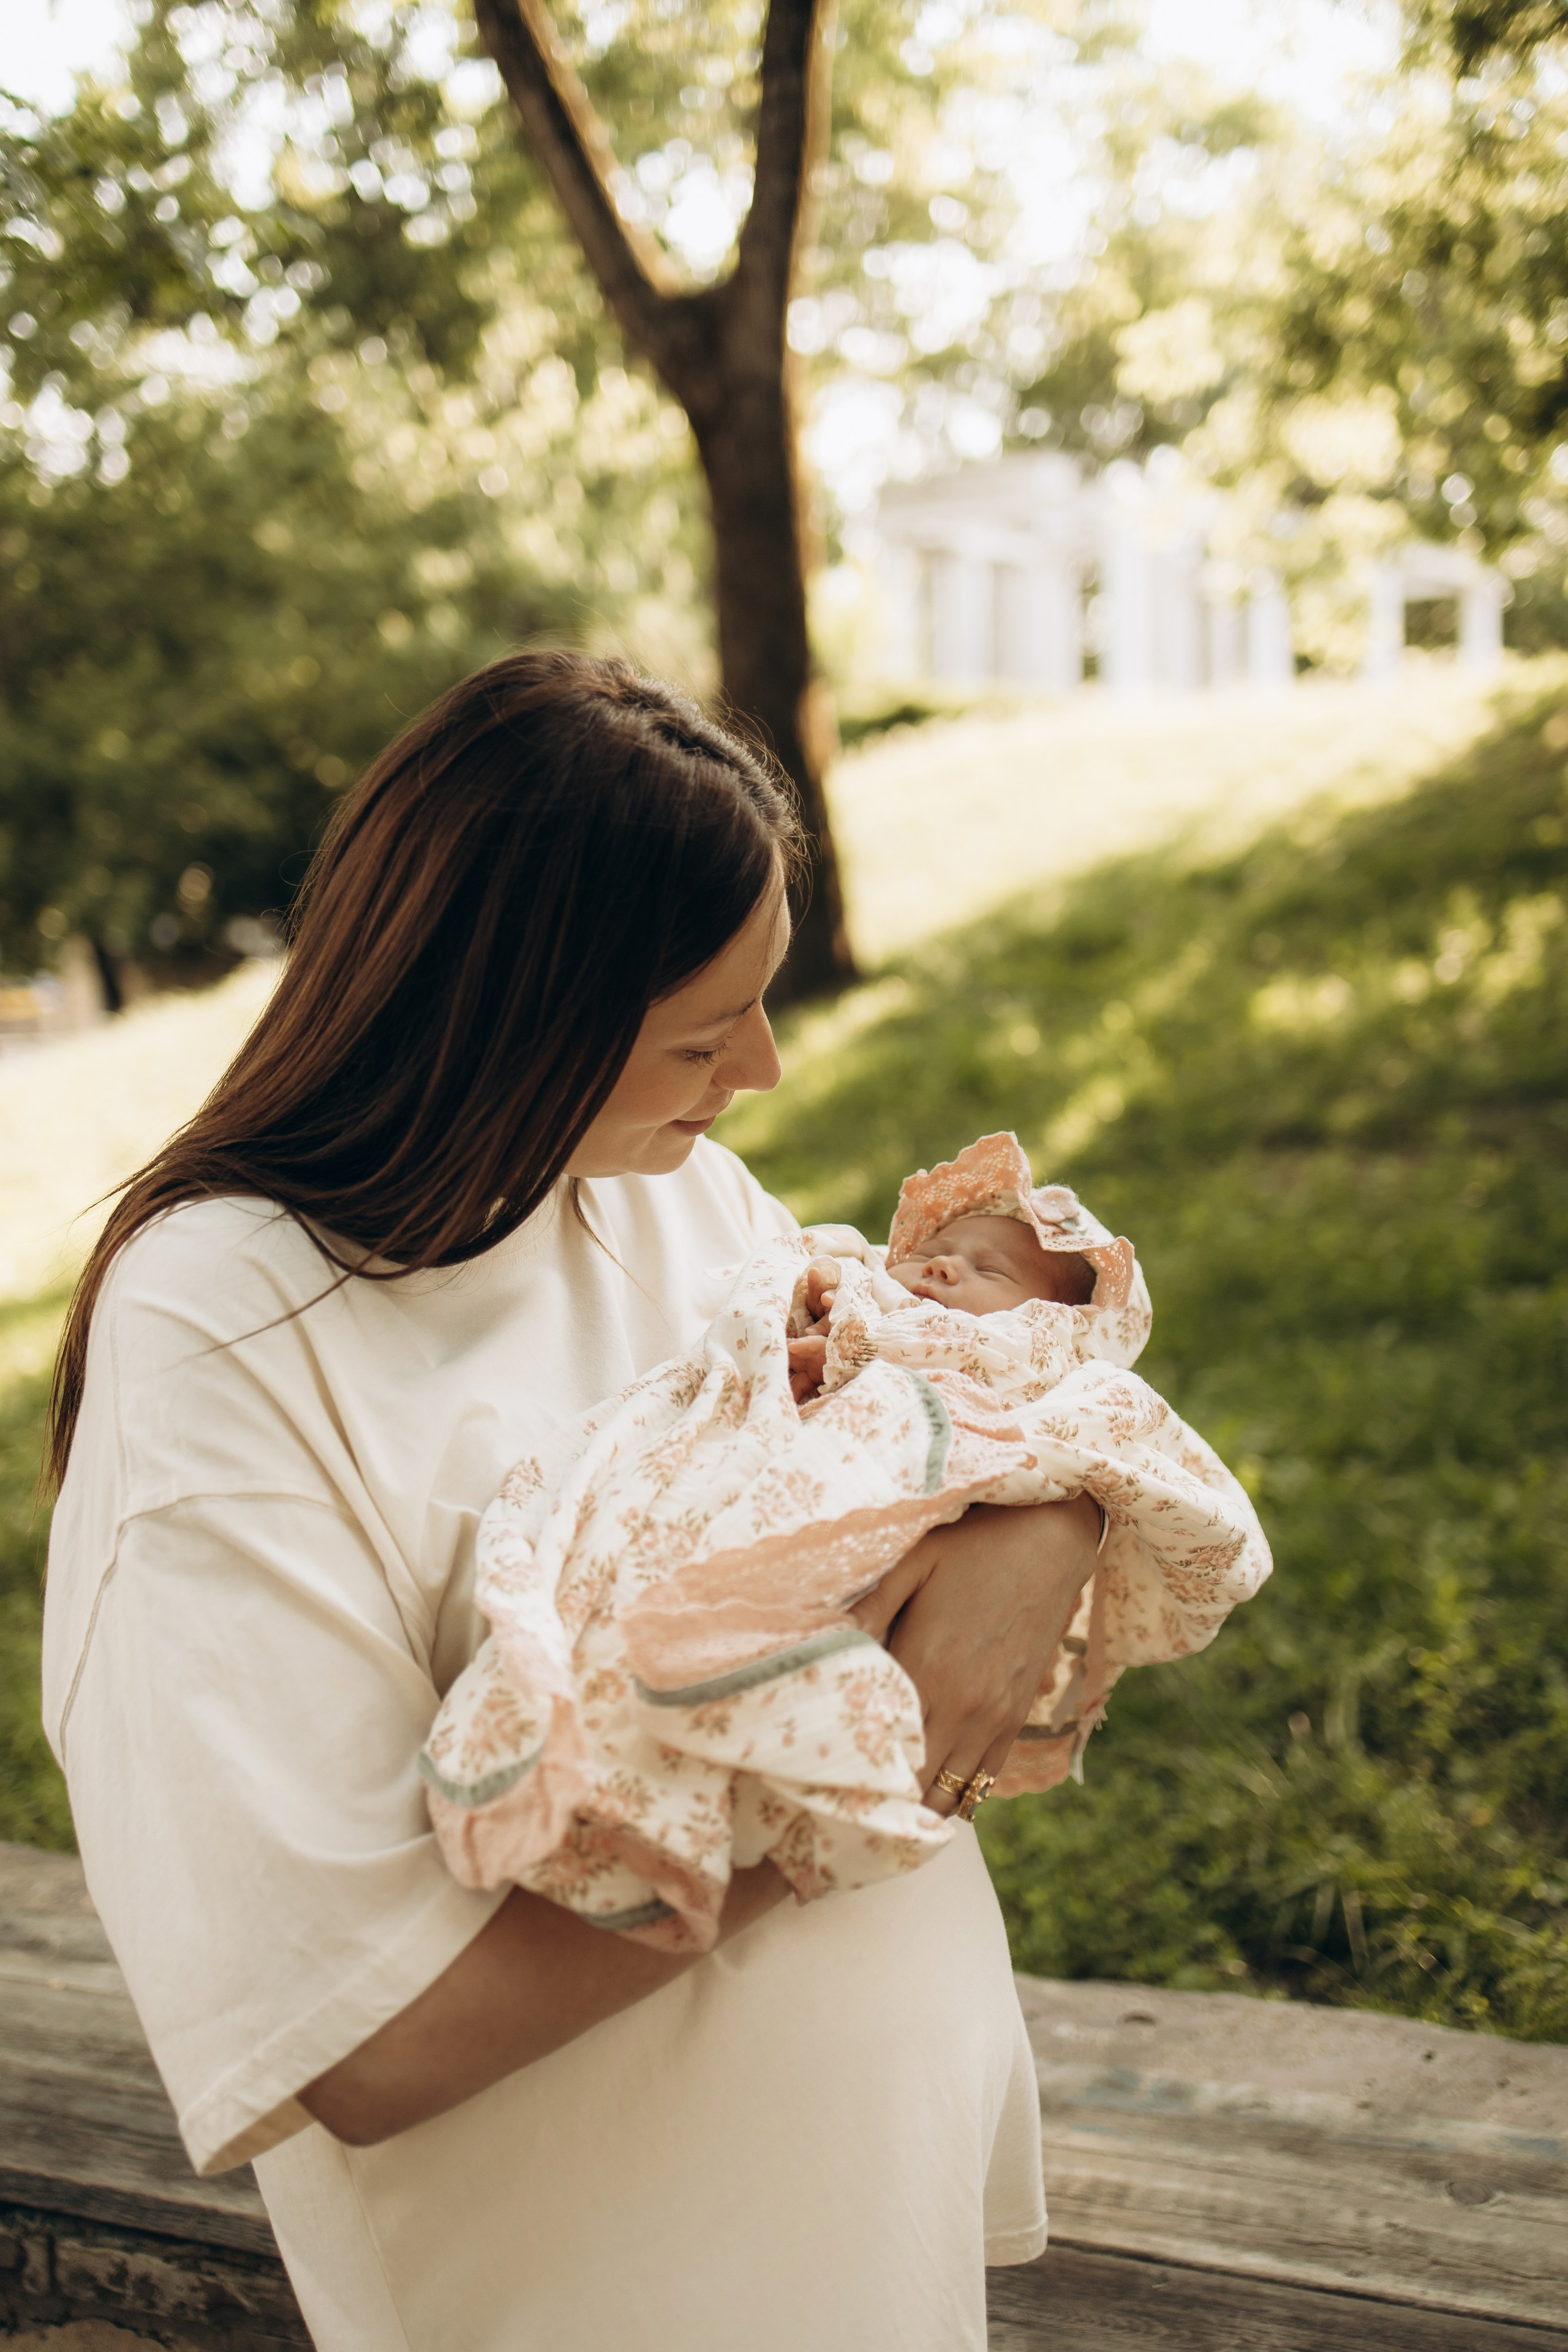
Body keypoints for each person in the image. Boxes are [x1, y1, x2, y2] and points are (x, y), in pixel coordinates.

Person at [40, 652, 1107, 2352]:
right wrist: (874, 1750)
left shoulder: (666, 1199)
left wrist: (1050, 1522)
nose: (757, 1069)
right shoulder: (226, 1337)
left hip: (860, 2226)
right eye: (701, 1030)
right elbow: (356, 2041)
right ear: (505, 1015)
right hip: (602, 2281)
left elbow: (928, 1436)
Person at [420, 1131, 1271, 1952]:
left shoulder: (1004, 1353)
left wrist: (1056, 1517)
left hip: (867, 1543)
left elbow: (1046, 1409)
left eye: (991, 1270)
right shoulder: (826, 1270)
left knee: (797, 1647)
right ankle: (631, 1776)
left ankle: (742, 1754)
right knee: (639, 1608)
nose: (944, 1267)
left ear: (1052, 1330)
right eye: (937, 1247)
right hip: (725, 1502)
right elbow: (764, 1317)